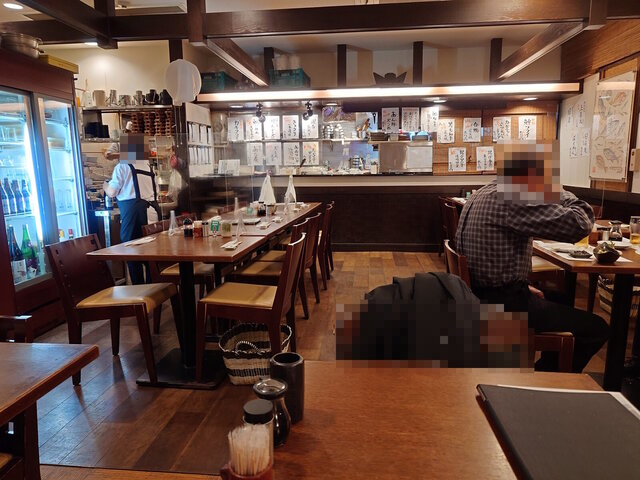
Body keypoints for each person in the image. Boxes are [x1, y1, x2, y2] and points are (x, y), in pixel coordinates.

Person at [454, 140, 609, 373]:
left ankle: (550, 364)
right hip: (504, 305)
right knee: (596, 328)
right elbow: (581, 223)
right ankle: (545, 376)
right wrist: (555, 190)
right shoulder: (512, 197)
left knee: (561, 299)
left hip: (477, 295)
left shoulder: (482, 193)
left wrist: (523, 285)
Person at [103, 134, 160, 285]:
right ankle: (153, 287)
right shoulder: (148, 167)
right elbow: (157, 191)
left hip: (135, 215)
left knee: (132, 252)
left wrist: (105, 185)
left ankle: (138, 289)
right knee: (151, 255)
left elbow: (112, 192)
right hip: (153, 213)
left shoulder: (122, 167)